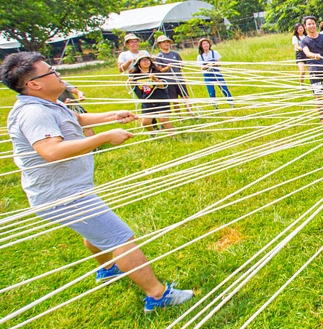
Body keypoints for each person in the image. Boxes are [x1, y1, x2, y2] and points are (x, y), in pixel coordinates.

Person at [1, 52, 194, 312]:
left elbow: (75, 120)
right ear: (34, 84)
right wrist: (104, 137)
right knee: (121, 238)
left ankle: (107, 269)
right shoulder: (34, 113)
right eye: (50, 71)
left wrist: (112, 116)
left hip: (69, 189)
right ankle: (158, 297)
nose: (58, 73)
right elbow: (51, 151)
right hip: (63, 195)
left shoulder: (47, 103)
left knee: (93, 230)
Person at [128, 51, 174, 131]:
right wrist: (131, 82)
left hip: (161, 99)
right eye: (143, 60)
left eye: (147, 59)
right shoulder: (136, 75)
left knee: (163, 120)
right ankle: (154, 134)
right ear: (138, 63)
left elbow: (163, 85)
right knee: (145, 122)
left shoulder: (156, 71)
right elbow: (134, 89)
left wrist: (154, 79)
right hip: (148, 101)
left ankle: (173, 136)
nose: (146, 62)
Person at [154, 35, 194, 117]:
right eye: (163, 42)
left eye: (167, 42)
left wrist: (180, 65)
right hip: (169, 81)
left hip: (179, 79)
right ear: (159, 45)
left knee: (186, 97)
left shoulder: (175, 54)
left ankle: (191, 114)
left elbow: (181, 65)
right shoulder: (158, 57)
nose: (166, 44)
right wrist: (167, 67)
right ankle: (179, 117)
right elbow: (160, 71)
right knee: (175, 100)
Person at [197, 38, 233, 105]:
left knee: (224, 88)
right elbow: (201, 67)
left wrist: (213, 64)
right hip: (207, 75)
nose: (205, 45)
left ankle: (231, 103)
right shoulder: (200, 56)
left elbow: (219, 64)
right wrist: (208, 66)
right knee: (211, 92)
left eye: (207, 43)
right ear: (201, 46)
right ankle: (215, 105)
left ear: (209, 44)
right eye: (204, 44)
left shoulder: (214, 53)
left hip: (217, 73)